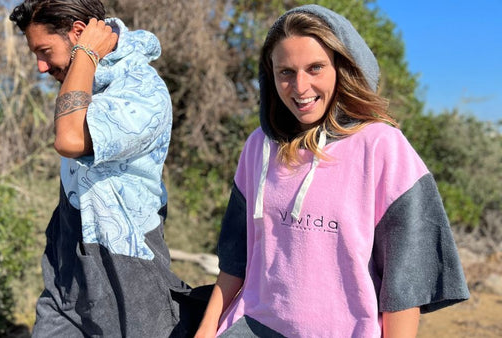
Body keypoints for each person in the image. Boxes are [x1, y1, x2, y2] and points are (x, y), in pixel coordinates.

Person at [195, 4, 470, 338]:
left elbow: (404, 282)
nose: (300, 87)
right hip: (254, 327)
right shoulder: (259, 147)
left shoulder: (382, 146)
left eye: (315, 68)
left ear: (342, 66)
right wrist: (206, 331)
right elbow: (235, 261)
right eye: (285, 72)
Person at [9, 1, 198, 336]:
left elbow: (69, 138)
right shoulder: (84, 84)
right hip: (67, 279)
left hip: (129, 281)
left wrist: (84, 54)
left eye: (45, 51)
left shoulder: (140, 89)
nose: (40, 66)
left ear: (79, 34)